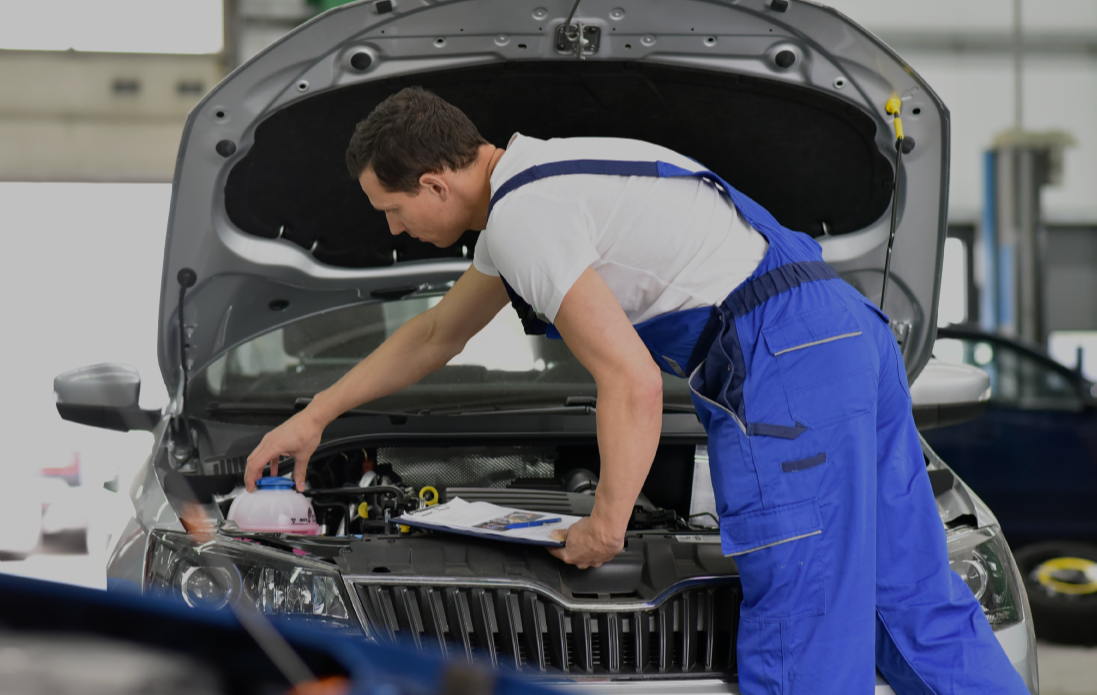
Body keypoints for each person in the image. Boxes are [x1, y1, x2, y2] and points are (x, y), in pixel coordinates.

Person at [243, 87, 1027, 693]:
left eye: (392, 210)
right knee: (912, 598)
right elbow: (436, 334)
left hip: (785, 360)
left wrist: (606, 524)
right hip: (846, 333)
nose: (393, 230)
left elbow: (632, 378)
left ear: (434, 182)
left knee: (805, 617)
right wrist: (316, 415)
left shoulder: (523, 217)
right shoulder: (545, 181)